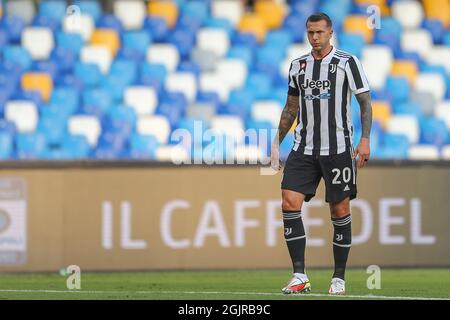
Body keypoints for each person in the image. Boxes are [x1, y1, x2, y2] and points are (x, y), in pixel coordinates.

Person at [270, 12, 372, 295]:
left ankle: (338, 277)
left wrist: (364, 139)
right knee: (289, 202)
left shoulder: (347, 63)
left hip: (338, 149)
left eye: (320, 32)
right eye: (310, 32)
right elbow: (291, 107)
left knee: (339, 210)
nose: (315, 37)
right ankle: (299, 275)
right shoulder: (298, 65)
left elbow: (365, 102)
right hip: (303, 148)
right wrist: (277, 142)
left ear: (330, 32)